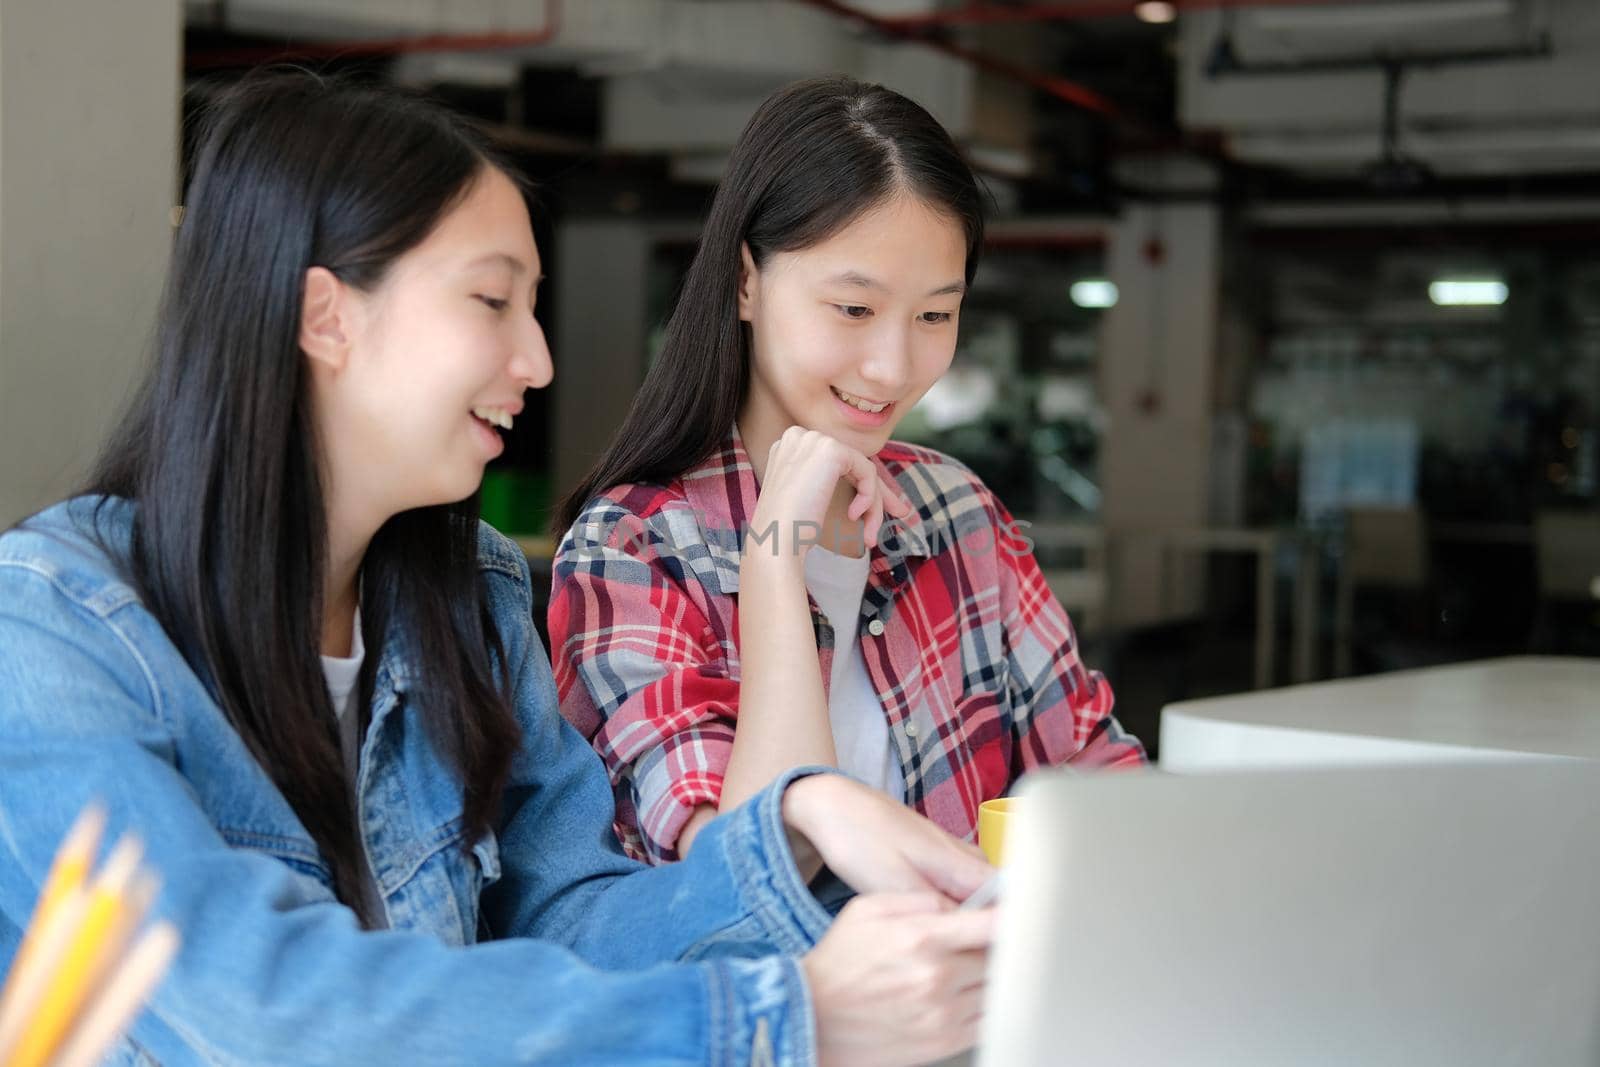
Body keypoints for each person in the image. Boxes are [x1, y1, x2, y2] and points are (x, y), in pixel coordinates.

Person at [0, 72, 996, 1067]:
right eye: (491, 300)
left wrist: (794, 817)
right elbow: (261, 1005)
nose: (538, 359)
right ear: (326, 317)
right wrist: (784, 1017)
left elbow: (572, 918)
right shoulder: (50, 630)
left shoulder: (465, 598)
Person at [549, 75, 1146, 867]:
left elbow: (1102, 784)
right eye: (854, 309)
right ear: (745, 280)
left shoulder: (960, 514)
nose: (894, 365)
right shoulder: (630, 548)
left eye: (936, 314)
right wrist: (772, 559)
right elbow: (747, 883)